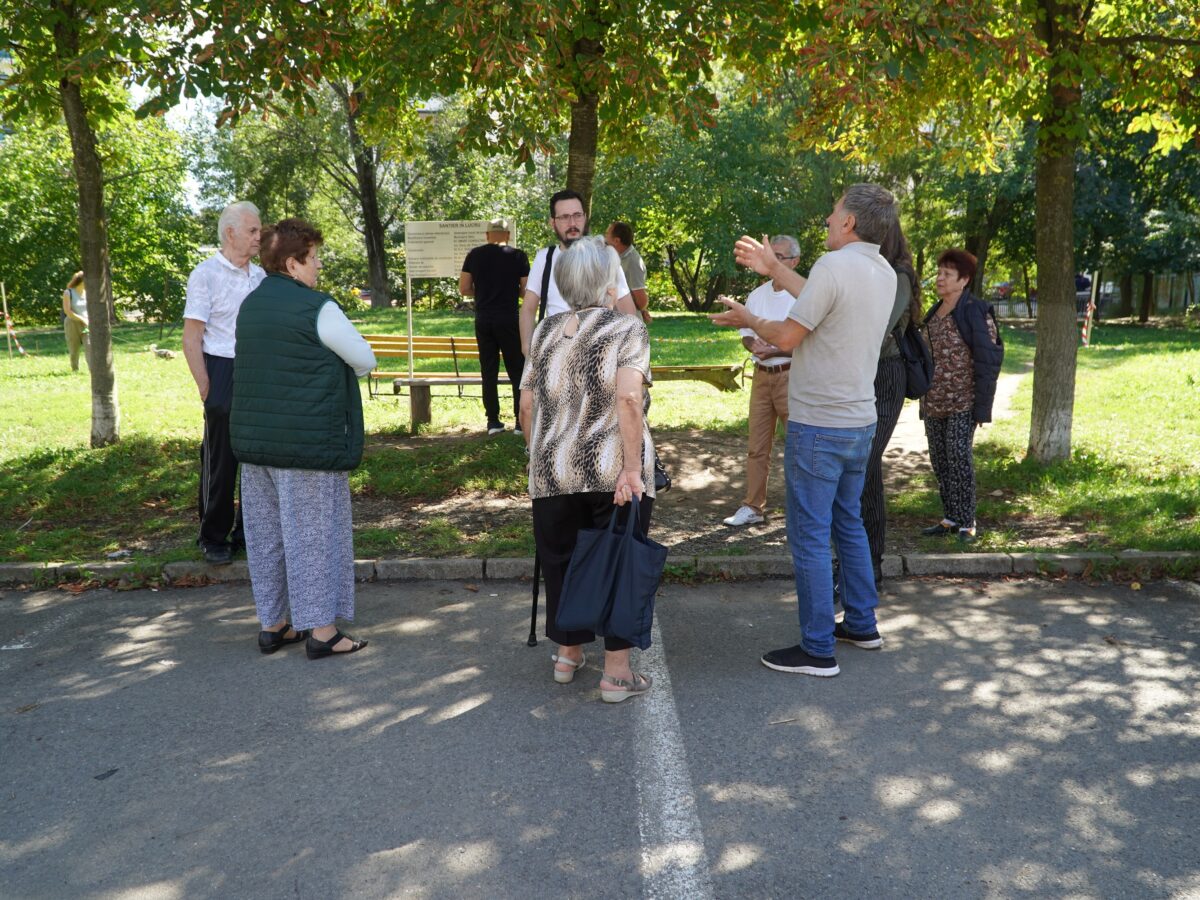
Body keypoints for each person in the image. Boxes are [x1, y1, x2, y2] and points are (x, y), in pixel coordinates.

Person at [711, 184, 899, 678]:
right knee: (848, 524)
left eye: (834, 212)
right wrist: (773, 269)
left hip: (820, 423)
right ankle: (861, 623)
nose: (828, 219)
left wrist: (749, 318)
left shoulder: (834, 267)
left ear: (850, 223)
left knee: (811, 534)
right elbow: (819, 298)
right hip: (859, 422)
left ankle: (817, 648)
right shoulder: (880, 270)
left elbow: (788, 334)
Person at [230, 218, 376, 660]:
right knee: (311, 536)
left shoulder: (250, 305)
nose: (318, 267)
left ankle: (274, 626)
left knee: (266, 537)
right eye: (314, 259)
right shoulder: (317, 307)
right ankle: (323, 632)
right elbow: (364, 358)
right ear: (293, 263)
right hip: (307, 444)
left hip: (256, 444)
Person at [519, 236, 656, 703]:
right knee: (619, 561)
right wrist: (633, 469)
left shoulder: (543, 332)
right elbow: (629, 398)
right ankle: (617, 674)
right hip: (613, 469)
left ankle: (567, 654)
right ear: (606, 280)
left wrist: (539, 454)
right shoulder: (626, 329)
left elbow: (527, 405)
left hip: (552, 469)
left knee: (561, 561)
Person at [183, 200, 264, 565]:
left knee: (257, 458)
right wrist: (206, 386)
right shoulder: (206, 274)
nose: (259, 237)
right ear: (230, 233)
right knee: (221, 460)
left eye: (259, 230)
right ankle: (213, 536)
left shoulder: (260, 277)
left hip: (255, 370)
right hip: (221, 368)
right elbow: (192, 336)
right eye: (253, 231)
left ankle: (250, 531)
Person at [919, 249, 1004, 544]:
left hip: (963, 402)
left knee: (958, 458)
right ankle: (950, 518)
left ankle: (968, 522)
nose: (940, 278)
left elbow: (989, 358)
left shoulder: (976, 312)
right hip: (934, 402)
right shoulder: (933, 312)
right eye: (939, 272)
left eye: (948, 274)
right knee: (940, 461)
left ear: (964, 280)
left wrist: (982, 407)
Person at [857, 221, 924, 585]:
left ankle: (868, 564)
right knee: (866, 471)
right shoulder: (870, 271)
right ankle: (866, 565)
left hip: (886, 374)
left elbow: (878, 327)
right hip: (863, 373)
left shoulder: (898, 274)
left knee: (863, 463)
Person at [722, 235, 802, 527]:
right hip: (761, 376)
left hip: (792, 375)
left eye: (779, 257)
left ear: (795, 261)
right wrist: (753, 347)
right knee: (757, 446)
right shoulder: (757, 295)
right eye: (771, 255)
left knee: (798, 447)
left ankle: (801, 510)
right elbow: (745, 334)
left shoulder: (803, 294)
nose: (772, 261)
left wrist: (778, 349)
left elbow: (809, 341)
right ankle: (753, 507)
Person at [519, 190, 638, 356]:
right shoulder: (544, 258)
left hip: (599, 352)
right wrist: (527, 349)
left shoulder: (605, 257)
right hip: (556, 354)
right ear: (552, 222)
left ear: (585, 217)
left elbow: (628, 312)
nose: (572, 223)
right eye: (564, 217)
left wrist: (626, 354)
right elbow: (528, 308)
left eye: (577, 215)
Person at [460, 219, 530, 435]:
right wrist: (509, 292)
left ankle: (493, 422)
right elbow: (525, 290)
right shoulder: (518, 256)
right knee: (516, 369)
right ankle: (520, 423)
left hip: (483, 319)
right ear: (508, 235)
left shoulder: (474, 255)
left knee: (488, 370)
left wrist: (481, 293)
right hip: (509, 318)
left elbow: (464, 288)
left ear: (487, 235)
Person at [604, 221, 652, 324]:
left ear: (616, 241)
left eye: (607, 234)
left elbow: (641, 301)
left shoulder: (633, 262)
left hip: (628, 325)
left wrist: (642, 309)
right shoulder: (618, 257)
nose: (605, 238)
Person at [61, 271, 89, 372]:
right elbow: (67, 311)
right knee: (74, 349)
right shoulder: (68, 293)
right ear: (81, 281)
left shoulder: (88, 293)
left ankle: (93, 370)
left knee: (89, 346)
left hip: (86, 324)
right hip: (72, 323)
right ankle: (75, 369)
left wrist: (88, 320)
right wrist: (82, 319)